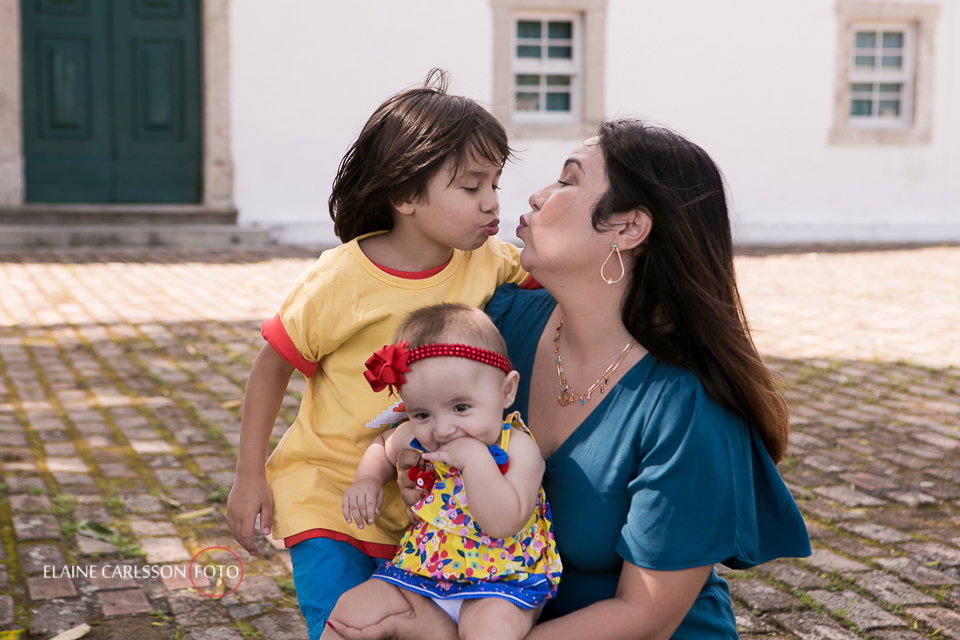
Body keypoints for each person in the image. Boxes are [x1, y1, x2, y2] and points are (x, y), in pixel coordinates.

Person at [326, 119, 811, 640]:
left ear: (628, 228)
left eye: (567, 180)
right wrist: (413, 468)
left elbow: (644, 618)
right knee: (353, 618)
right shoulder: (498, 326)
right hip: (476, 606)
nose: (536, 196)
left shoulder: (687, 403)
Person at [225, 70, 537, 640]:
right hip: (326, 496)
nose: (492, 203)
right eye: (472, 187)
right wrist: (249, 476)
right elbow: (272, 365)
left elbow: (553, 277)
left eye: (495, 183)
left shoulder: (488, 259)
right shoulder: (340, 278)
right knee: (343, 623)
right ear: (404, 196)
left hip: (420, 509)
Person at [324, 303, 562, 640]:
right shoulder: (419, 438)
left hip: (502, 583)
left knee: (491, 631)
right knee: (351, 609)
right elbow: (384, 443)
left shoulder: (517, 447)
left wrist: (476, 461)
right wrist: (369, 478)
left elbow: (504, 523)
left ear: (506, 390)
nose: (442, 429)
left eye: (461, 407)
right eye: (422, 414)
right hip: (421, 573)